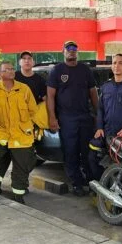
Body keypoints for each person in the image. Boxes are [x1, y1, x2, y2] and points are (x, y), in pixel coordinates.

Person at [0, 61, 38, 204]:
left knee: (23, 163)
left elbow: (33, 111)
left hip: (21, 135)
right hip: (0, 133)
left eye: (12, 69)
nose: (11, 71)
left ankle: (18, 192)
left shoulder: (24, 89)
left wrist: (30, 128)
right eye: (7, 70)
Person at [47, 40, 98, 196]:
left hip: (85, 117)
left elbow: (93, 93)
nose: (71, 51)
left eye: (74, 48)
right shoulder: (57, 70)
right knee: (71, 152)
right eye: (68, 48)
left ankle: (90, 182)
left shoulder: (85, 70)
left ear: (78, 52)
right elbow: (50, 96)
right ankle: (76, 183)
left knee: (87, 151)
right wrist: (52, 118)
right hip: (66, 118)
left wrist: (98, 115)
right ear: (63, 51)